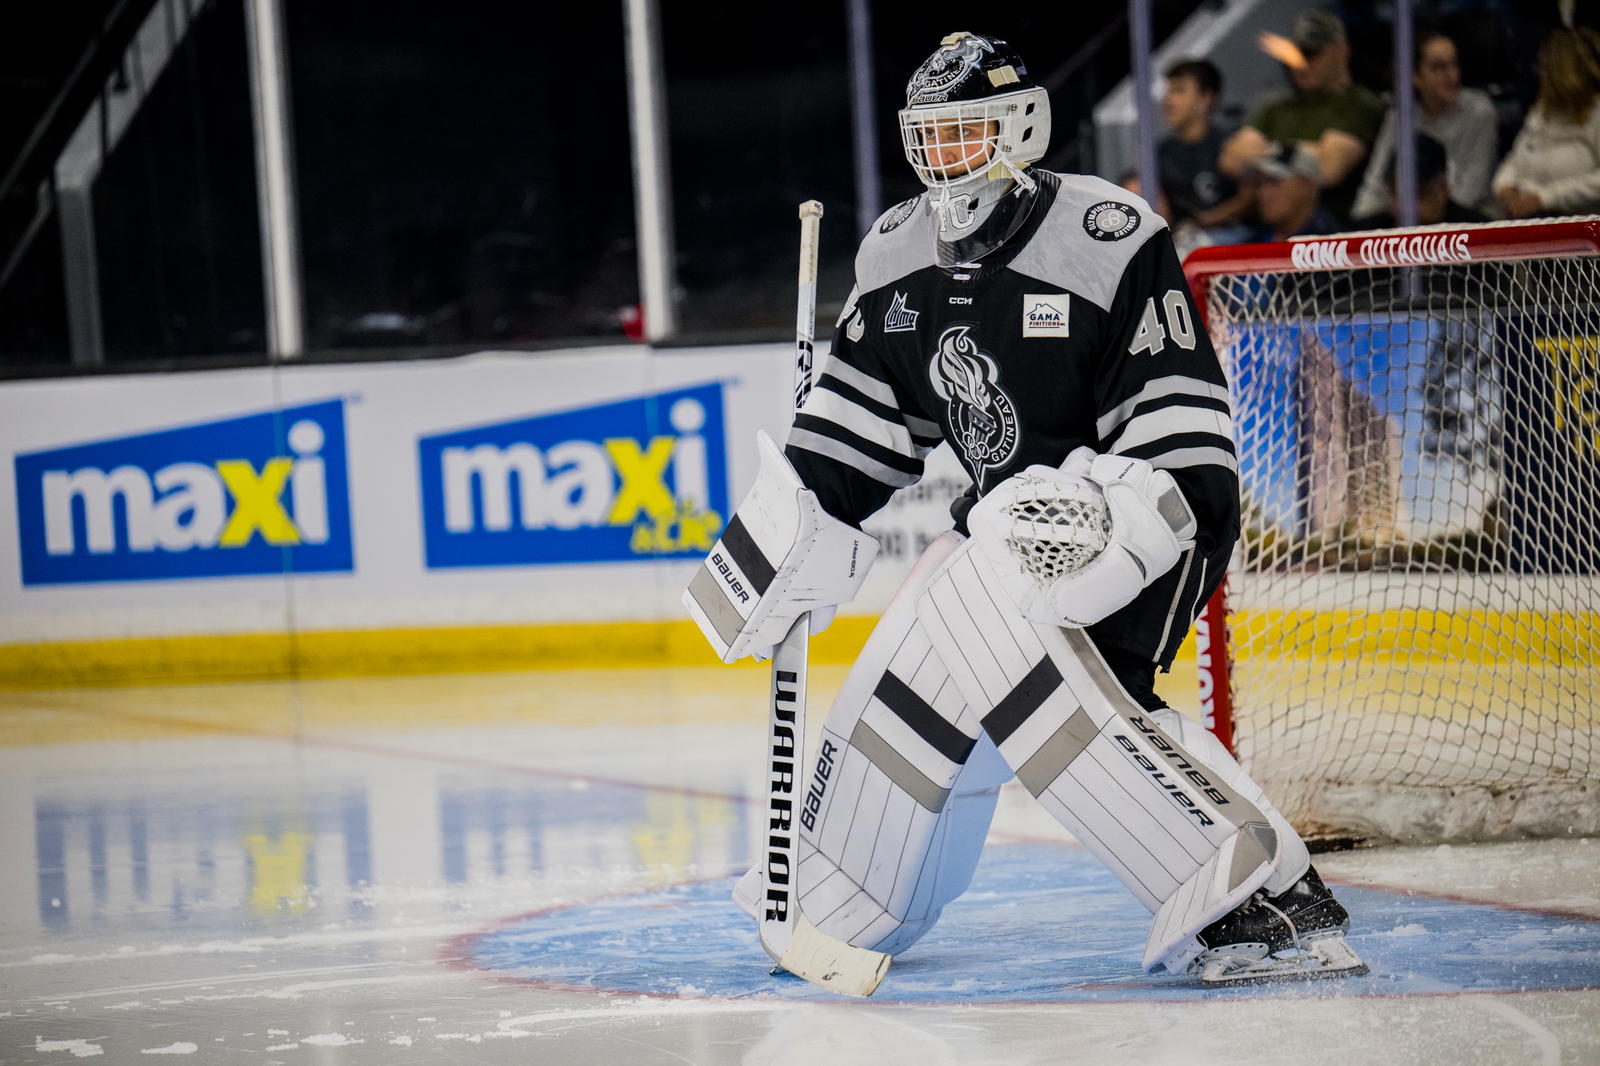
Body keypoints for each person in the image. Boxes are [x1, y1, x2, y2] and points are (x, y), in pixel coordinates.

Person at [683, 32, 1366, 988]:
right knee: (918, 658)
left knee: (1021, 622)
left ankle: (1263, 900)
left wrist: (1120, 521)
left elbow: (1183, 430)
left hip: (1144, 513)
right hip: (1007, 536)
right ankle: (845, 889)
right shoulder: (893, 255)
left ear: (1021, 127)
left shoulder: (1107, 233)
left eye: (965, 132)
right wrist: (786, 540)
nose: (942, 156)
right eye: (929, 135)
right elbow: (850, 435)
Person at [1220, 9, 1385, 224]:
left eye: (1312, 53)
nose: (1299, 63)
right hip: (1273, 227)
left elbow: (1328, 169)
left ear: (1342, 52)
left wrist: (1265, 155)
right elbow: (1230, 159)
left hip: (1336, 229)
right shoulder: (1276, 106)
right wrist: (1297, 153)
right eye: (1294, 53)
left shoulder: (1360, 104)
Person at [1350, 31, 1499, 220]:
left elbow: (1470, 191)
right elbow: (1375, 182)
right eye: (1438, 67)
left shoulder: (1480, 113)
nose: (1451, 75)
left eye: (1454, 64)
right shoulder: (1400, 115)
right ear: (1415, 76)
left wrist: (1423, 216)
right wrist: (1358, 229)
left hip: (1465, 222)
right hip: (1409, 217)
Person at [1493, 25, 1600, 219]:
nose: (1536, 70)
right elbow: (1516, 158)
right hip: (1529, 219)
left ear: (1564, 71)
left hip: (1581, 226)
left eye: (1544, 66)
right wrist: (1506, 187)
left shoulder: (1597, 112)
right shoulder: (1543, 109)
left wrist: (1546, 197)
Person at [1158, 59, 1252, 240]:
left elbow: (1249, 199)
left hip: (1236, 237)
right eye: (1168, 91)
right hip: (1182, 238)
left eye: (1179, 91)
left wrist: (1207, 220)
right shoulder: (1162, 151)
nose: (1168, 100)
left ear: (1206, 98)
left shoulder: (1232, 143)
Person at [1352, 133, 1489, 228]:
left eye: (1417, 194)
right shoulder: (1370, 236)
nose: (1404, 207)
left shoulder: (1478, 235)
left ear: (1443, 188)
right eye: (1395, 193)